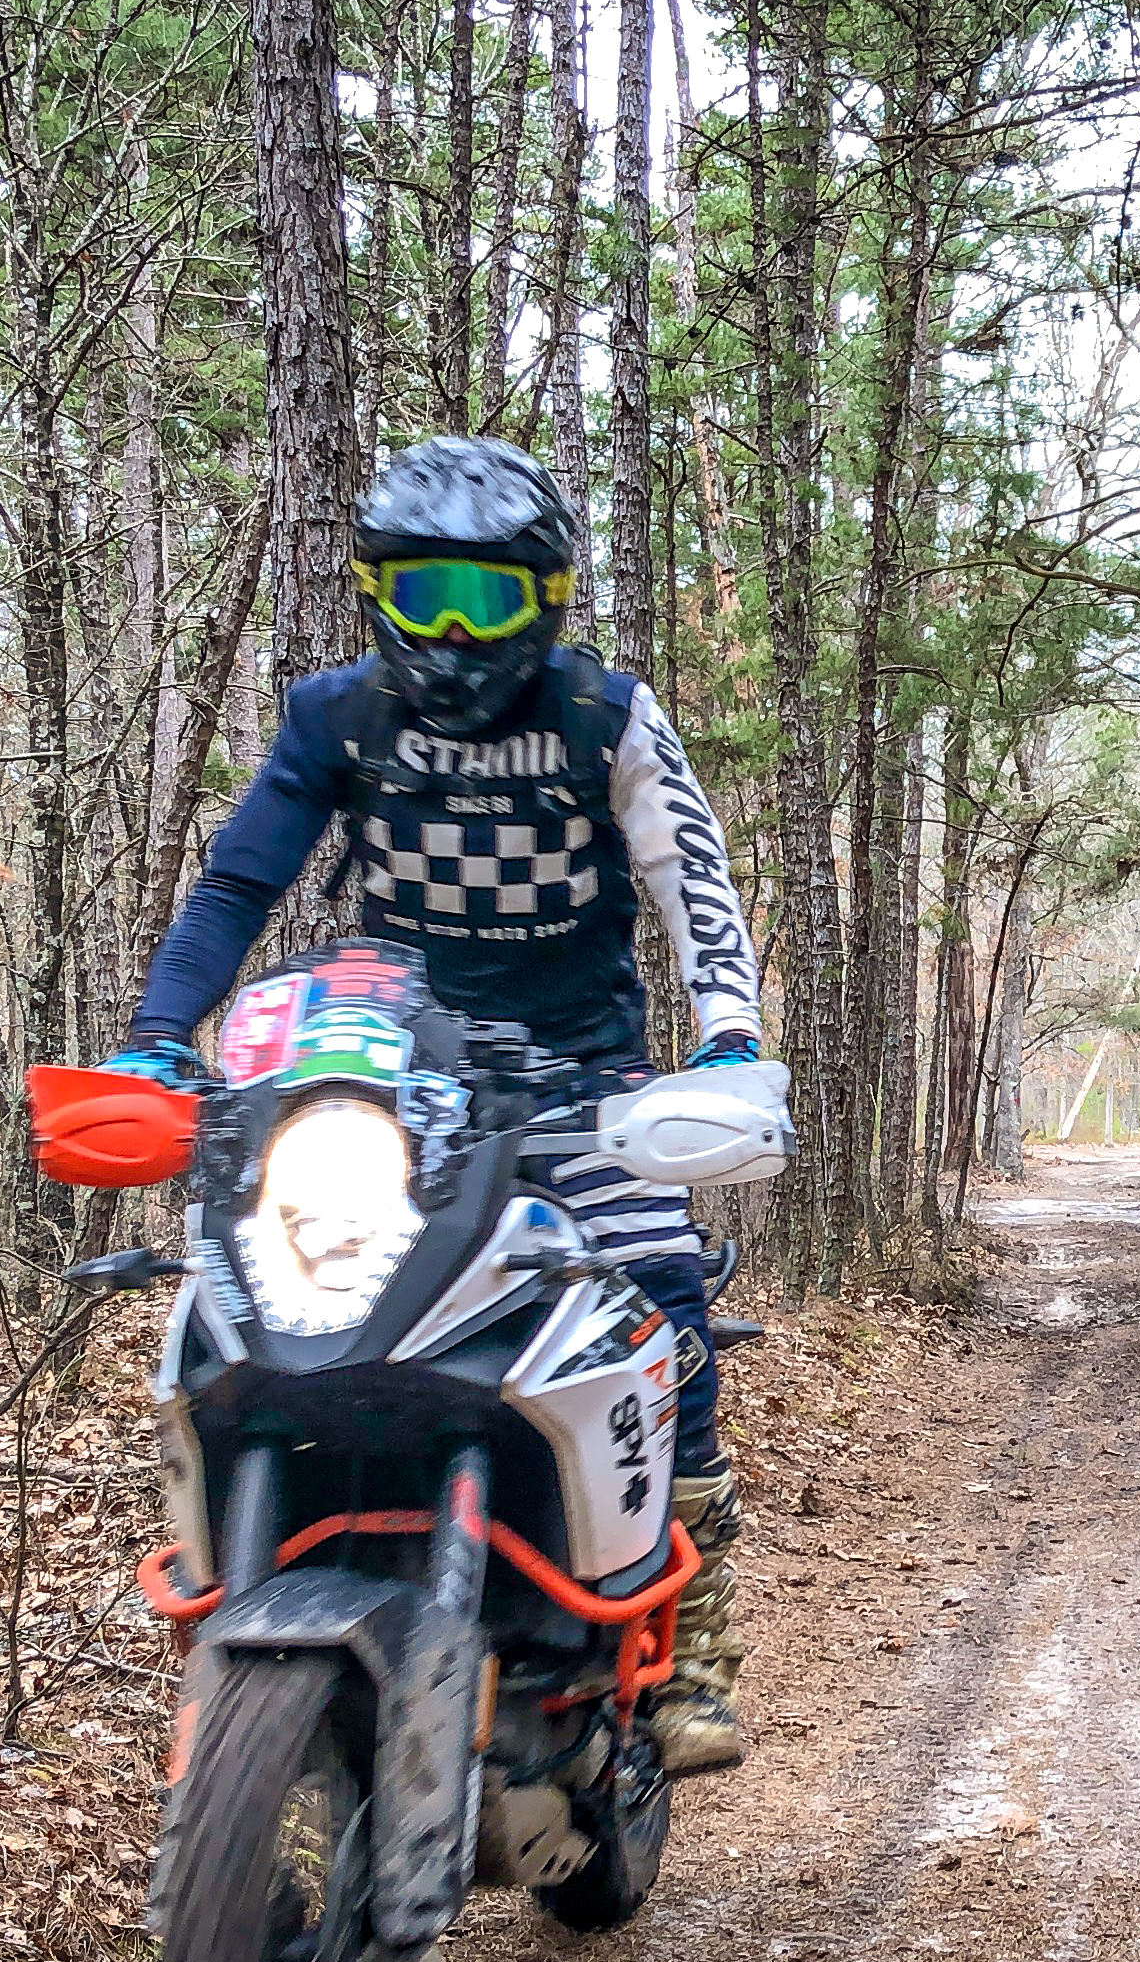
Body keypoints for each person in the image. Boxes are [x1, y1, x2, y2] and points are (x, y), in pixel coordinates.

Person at [107, 437, 771, 1773]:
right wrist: (158, 1041)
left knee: (660, 1294)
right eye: (424, 595)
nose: (456, 633)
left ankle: (693, 1631)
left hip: (580, 1077)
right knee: (266, 1293)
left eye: (487, 597)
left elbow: (689, 881)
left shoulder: (605, 717)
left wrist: (728, 1040)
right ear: (376, 596)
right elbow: (239, 884)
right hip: (390, 1071)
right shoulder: (335, 717)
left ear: (548, 601)